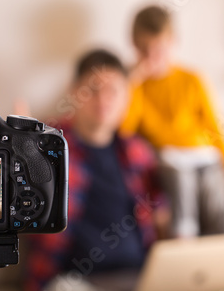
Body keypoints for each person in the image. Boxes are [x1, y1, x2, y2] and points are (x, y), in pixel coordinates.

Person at [121, 5, 224, 238]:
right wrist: (134, 84)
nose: (152, 57)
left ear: (172, 42)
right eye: (145, 50)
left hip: (204, 160)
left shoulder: (192, 80)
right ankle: (184, 234)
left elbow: (217, 129)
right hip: (169, 164)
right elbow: (124, 134)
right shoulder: (131, 86)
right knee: (179, 182)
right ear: (134, 46)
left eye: (158, 49)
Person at [24, 49, 169, 291]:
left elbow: (161, 212)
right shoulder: (47, 146)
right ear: (74, 91)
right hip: (74, 281)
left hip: (138, 276)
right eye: (92, 90)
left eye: (113, 91)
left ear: (126, 97)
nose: (103, 100)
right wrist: (22, 149)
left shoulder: (137, 152)